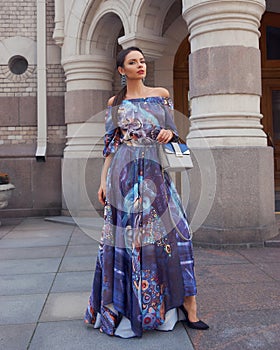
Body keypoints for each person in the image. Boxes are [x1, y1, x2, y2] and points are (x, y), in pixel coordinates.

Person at [84, 46, 209, 338]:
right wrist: (103, 181)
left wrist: (168, 134)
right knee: (128, 239)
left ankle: (189, 307)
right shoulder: (115, 102)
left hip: (155, 172)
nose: (140, 65)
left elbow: (174, 132)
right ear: (121, 70)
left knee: (177, 233)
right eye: (132, 62)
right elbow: (110, 146)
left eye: (141, 61)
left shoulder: (161, 95)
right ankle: (130, 307)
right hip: (124, 175)